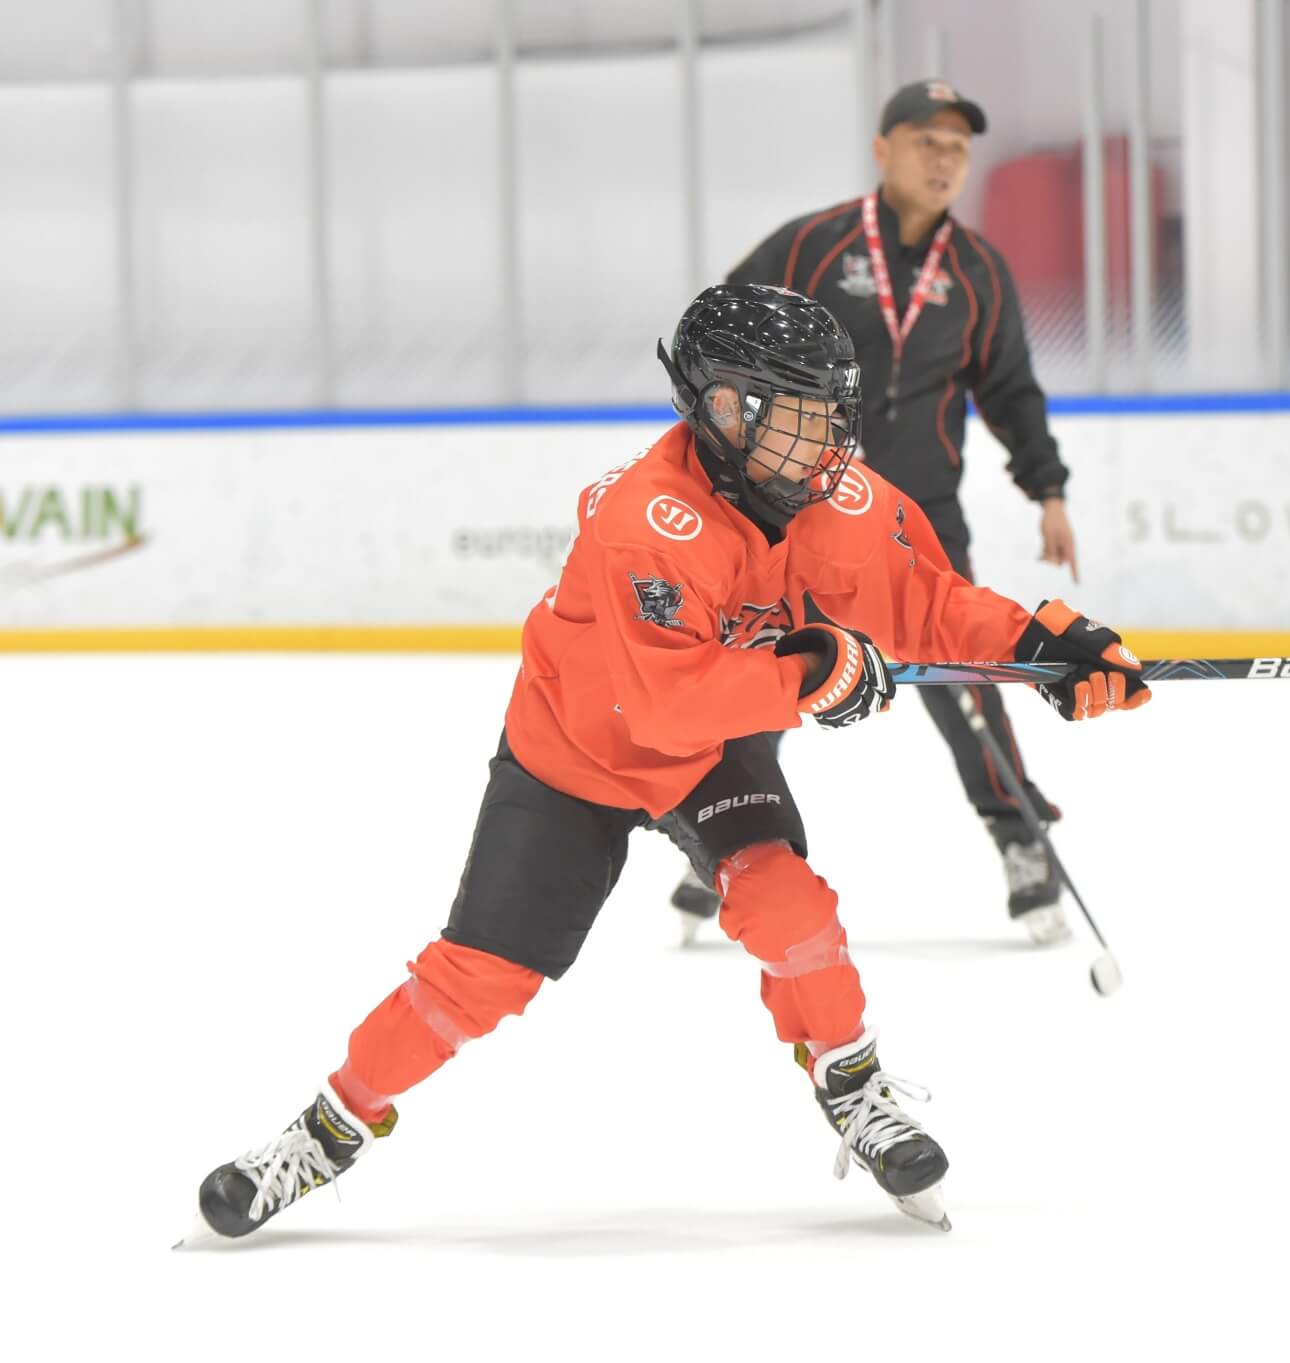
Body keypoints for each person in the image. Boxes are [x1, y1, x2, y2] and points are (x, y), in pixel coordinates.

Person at [188, 285, 1149, 1241]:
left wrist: (1043, 646)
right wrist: (817, 668)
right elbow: (664, 701)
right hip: (577, 750)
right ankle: (325, 1130)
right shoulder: (647, 520)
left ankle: (852, 1088)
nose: (822, 444)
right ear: (723, 409)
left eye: (830, 415)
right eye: (796, 417)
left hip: (710, 746)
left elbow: (931, 605)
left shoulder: (833, 494)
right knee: (476, 977)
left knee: (790, 906)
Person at [664, 79, 1080, 946]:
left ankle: (1020, 837)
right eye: (925, 141)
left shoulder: (976, 273)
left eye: (958, 148)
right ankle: (723, 840)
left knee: (964, 672)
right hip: (798, 505)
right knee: (771, 669)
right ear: (883, 149)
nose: (943, 160)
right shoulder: (815, 244)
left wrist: (1048, 488)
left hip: (919, 512)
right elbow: (721, 335)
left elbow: (1010, 389)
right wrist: (722, 444)